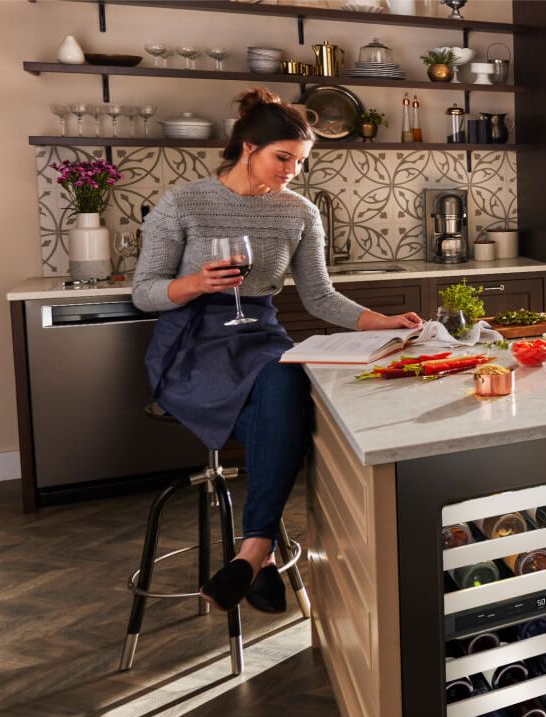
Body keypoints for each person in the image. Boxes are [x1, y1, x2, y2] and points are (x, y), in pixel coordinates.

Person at [132, 88, 424, 614]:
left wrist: (386, 322)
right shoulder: (183, 203)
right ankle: (261, 556)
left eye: (300, 162)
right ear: (248, 147)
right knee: (288, 414)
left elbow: (318, 296)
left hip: (260, 334)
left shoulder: (299, 212)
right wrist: (197, 283)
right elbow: (144, 291)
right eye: (282, 158)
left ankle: (254, 550)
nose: (292, 171)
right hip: (193, 342)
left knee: (287, 378)